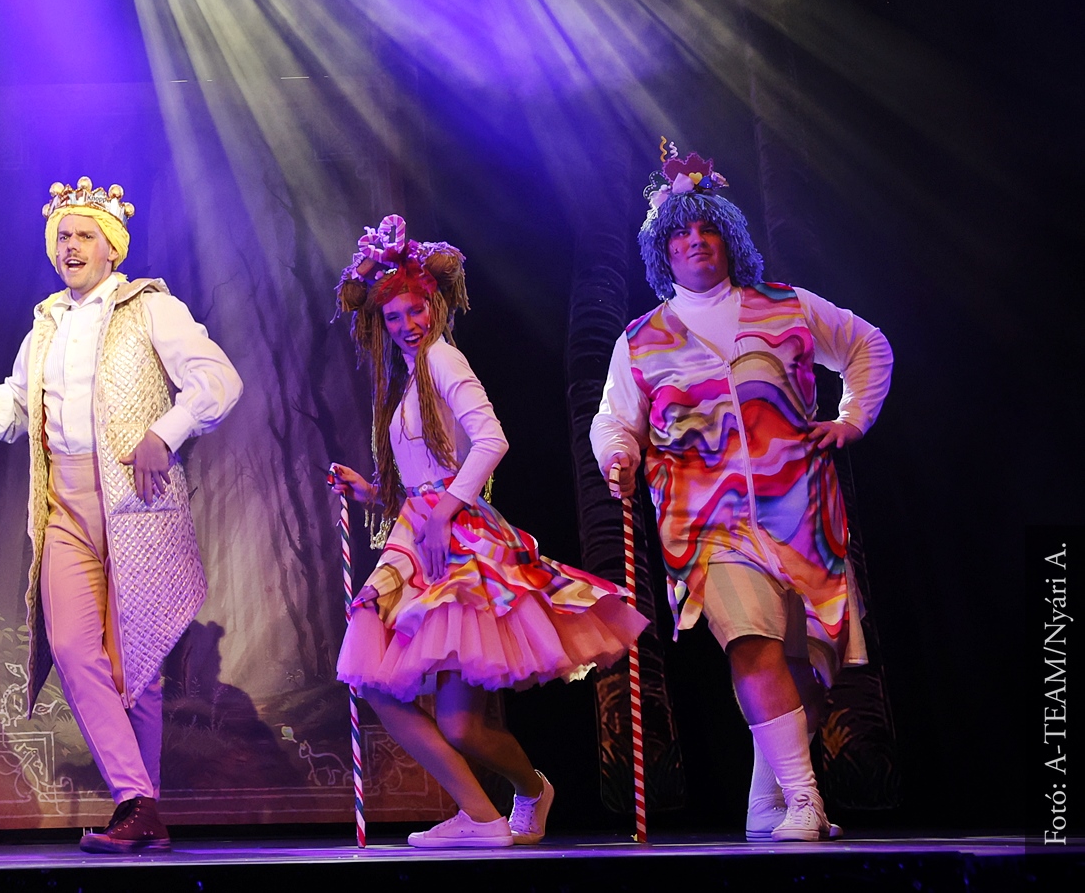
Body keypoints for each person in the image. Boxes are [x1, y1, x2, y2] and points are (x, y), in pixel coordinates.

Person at [0, 178, 242, 853]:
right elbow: (17, 410)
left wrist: (167, 431)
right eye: (62, 236)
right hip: (64, 505)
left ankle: (142, 815)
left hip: (136, 502)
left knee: (138, 668)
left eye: (84, 236)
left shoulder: (150, 308)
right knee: (72, 647)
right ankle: (136, 799)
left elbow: (219, 379)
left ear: (111, 248)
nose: (71, 246)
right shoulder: (45, 323)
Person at [592, 142, 892, 843]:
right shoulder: (642, 339)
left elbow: (868, 346)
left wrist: (851, 419)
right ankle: (807, 800)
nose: (695, 241)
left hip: (803, 513)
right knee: (751, 644)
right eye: (680, 234)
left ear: (728, 237)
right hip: (707, 521)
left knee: (809, 667)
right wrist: (618, 455)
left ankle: (766, 803)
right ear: (662, 251)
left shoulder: (785, 307)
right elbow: (614, 418)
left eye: (708, 229)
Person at [325, 215, 645, 849]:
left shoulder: (443, 357)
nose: (408, 324)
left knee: (392, 690)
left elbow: (492, 440)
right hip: (420, 532)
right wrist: (372, 492)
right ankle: (515, 799)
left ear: (435, 307)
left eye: (417, 310)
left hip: (453, 538)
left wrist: (445, 509)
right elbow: (427, 471)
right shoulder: (410, 377)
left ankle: (487, 812)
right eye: (394, 317)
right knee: (449, 719)